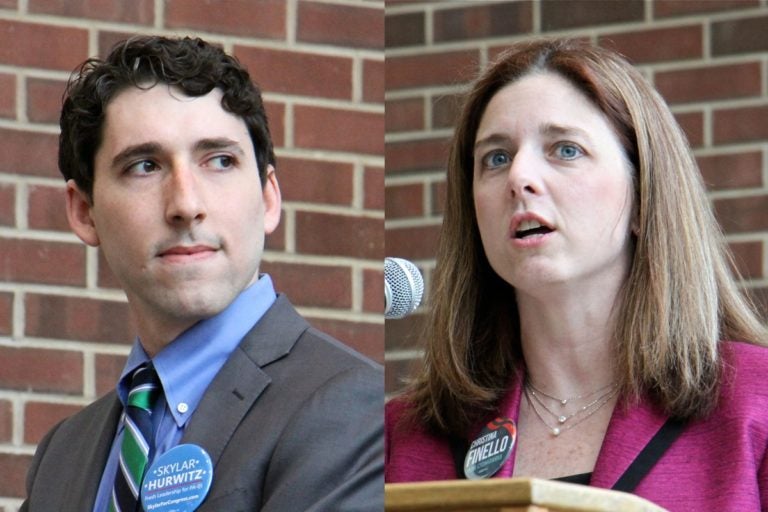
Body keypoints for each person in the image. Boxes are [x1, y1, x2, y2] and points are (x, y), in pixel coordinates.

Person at [385, 38, 768, 510]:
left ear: (644, 197)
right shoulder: (402, 436)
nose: (519, 176)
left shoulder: (756, 403)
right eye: (496, 157)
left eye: (565, 150)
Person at [22, 36, 383, 512]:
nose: (187, 205)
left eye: (219, 161)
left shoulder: (354, 409)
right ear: (85, 211)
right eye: (145, 166)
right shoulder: (63, 453)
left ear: (269, 196)